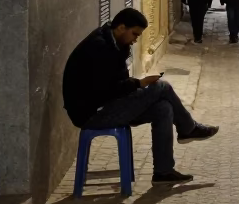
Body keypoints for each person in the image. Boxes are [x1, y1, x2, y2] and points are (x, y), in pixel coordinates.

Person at [62, 9, 219, 183]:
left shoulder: (114, 43)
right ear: (121, 27)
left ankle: (163, 172)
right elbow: (104, 91)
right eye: (134, 34)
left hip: (107, 105)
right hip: (92, 113)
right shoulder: (99, 47)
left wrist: (136, 85)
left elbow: (116, 82)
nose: (135, 39)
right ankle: (188, 128)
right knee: (162, 87)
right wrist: (139, 84)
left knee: (163, 108)